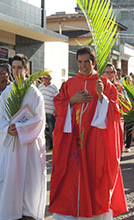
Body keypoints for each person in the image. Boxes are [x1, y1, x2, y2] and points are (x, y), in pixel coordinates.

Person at [49, 46, 127, 218]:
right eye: (80, 62)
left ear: (94, 62)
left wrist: (101, 97)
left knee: (96, 177)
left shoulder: (105, 85)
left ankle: (96, 214)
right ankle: (72, 211)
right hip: (72, 141)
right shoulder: (69, 84)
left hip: (96, 142)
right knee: (70, 177)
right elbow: (58, 103)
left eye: (87, 62)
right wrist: (71, 101)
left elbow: (116, 112)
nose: (83, 66)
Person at [0, 54, 46, 220]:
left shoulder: (34, 93)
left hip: (28, 145)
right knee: (9, 178)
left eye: (20, 68)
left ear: (27, 70)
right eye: (14, 68)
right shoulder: (8, 92)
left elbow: (39, 119)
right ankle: (9, 210)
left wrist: (19, 128)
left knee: (28, 180)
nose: (17, 71)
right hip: (11, 144)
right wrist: (7, 128)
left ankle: (26, 212)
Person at [38, 74, 59, 149]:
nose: (45, 80)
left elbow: (57, 100)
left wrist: (55, 111)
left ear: (50, 79)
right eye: (44, 78)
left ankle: (52, 145)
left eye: (46, 78)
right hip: (41, 112)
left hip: (50, 112)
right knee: (41, 130)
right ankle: (42, 145)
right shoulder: (40, 87)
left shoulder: (54, 88)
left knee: (51, 130)